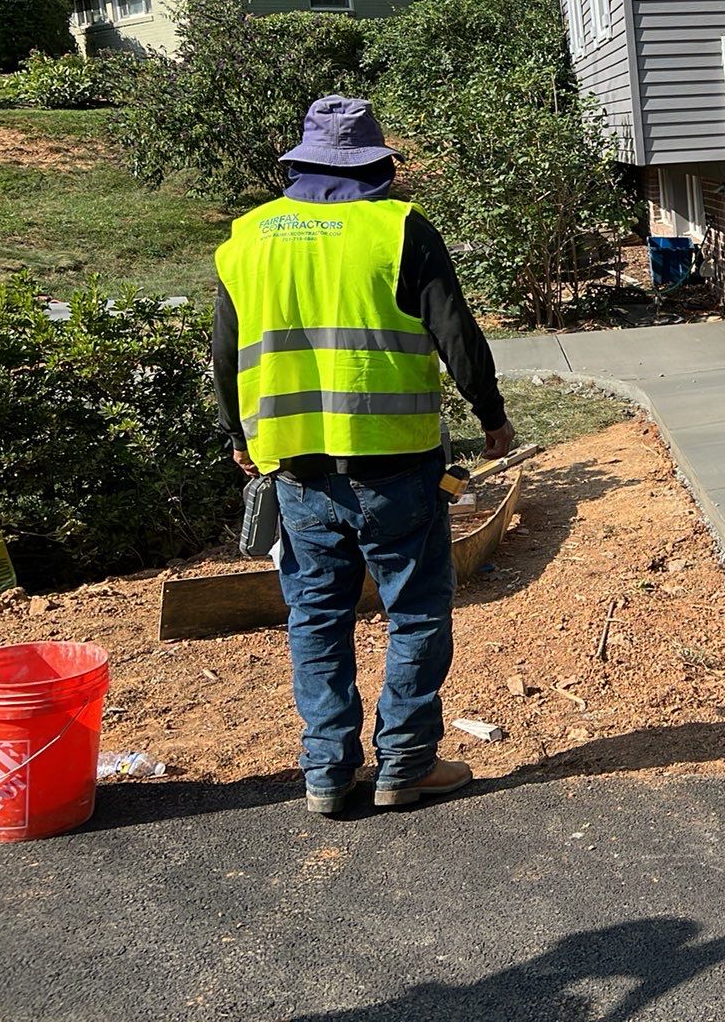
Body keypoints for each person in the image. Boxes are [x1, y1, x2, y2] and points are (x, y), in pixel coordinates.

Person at [211, 95, 514, 817]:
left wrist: (239, 438)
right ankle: (405, 766)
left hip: (295, 469)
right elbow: (458, 337)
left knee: (316, 616)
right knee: (414, 611)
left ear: (300, 165)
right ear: (378, 167)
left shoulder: (247, 237)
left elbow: (224, 354)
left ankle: (327, 773)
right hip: (396, 465)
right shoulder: (399, 228)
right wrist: (492, 416)